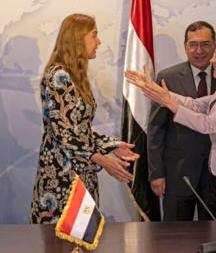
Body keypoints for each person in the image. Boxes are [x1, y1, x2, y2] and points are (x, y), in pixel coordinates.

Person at [125, 33, 216, 220]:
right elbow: (195, 104)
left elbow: (208, 124)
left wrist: (169, 103)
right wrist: (154, 89)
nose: (212, 60)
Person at [30, 13, 139, 224]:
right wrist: (102, 159)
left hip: (80, 175)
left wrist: (112, 146)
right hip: (62, 180)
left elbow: (80, 131)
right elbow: (63, 134)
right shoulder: (58, 76)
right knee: (62, 244)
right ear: (78, 38)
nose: (99, 42)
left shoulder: (73, 76)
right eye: (94, 35)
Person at [147, 21, 216, 221]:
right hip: (177, 175)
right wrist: (156, 173)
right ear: (185, 46)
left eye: (205, 44)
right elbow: (156, 129)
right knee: (175, 240)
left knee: (215, 237)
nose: (199, 51)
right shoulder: (167, 78)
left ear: (215, 45)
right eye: (193, 44)